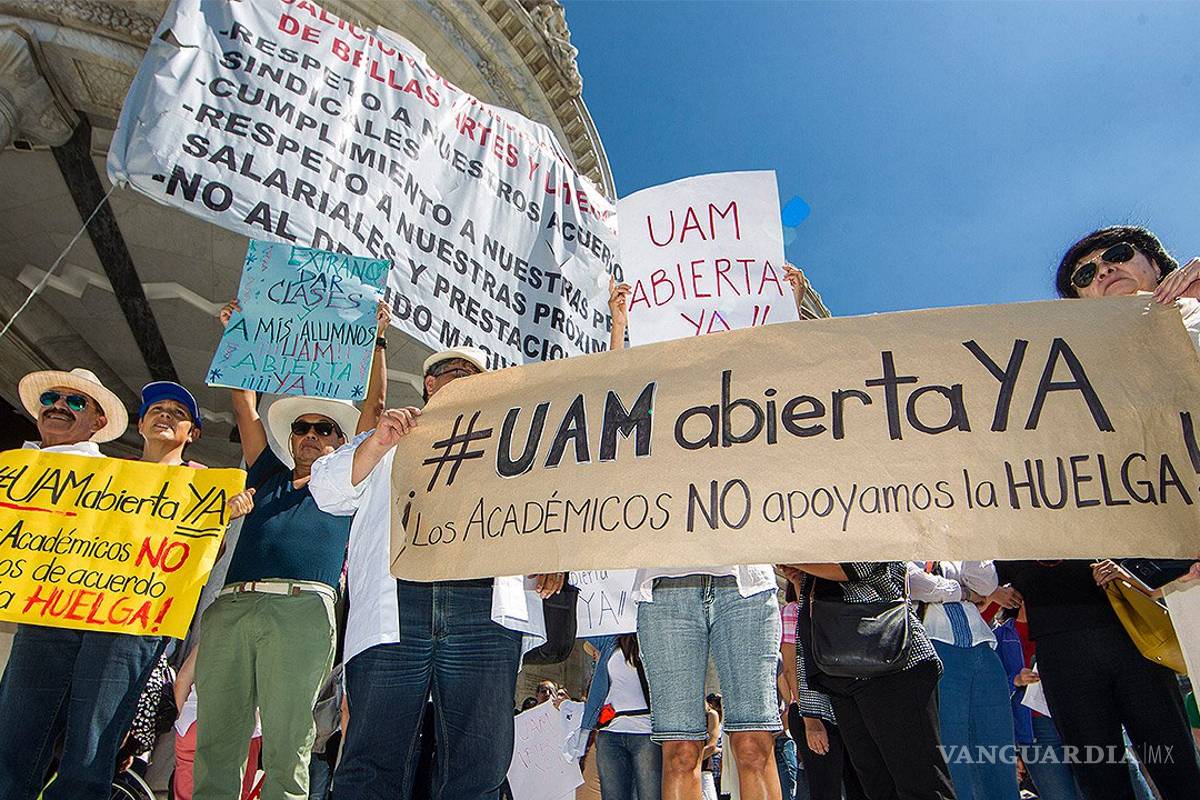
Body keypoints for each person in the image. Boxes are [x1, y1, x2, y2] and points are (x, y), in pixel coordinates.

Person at [308, 346, 566, 800]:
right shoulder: (388, 441)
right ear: (429, 384)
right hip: (399, 606)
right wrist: (375, 442)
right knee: (372, 758)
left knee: (478, 763)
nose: (463, 379)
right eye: (453, 372)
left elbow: (541, 511)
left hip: (482, 608)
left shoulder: (513, 444)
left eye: (473, 375)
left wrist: (547, 552)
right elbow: (326, 491)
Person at [609, 278, 785, 800]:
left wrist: (783, 308)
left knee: (753, 742)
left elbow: (794, 392)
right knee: (680, 749)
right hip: (667, 592)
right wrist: (621, 327)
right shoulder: (653, 421)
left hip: (744, 588)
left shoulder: (747, 413)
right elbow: (612, 405)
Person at [192, 299, 370, 800]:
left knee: (289, 739)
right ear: (290, 437)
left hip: (302, 609)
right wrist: (238, 335)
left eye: (324, 429)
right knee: (217, 737)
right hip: (233, 605)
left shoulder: (348, 483)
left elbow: (376, 413)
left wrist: (376, 343)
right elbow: (244, 407)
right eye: (301, 427)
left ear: (341, 440)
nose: (310, 435)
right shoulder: (266, 472)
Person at [0, 366, 158, 800]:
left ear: (99, 422)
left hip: (103, 624)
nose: (58, 407)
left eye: (74, 402)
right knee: (11, 745)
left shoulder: (122, 480)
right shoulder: (12, 472)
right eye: (50, 399)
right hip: (36, 617)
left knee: (86, 754)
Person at [993, 561, 1200, 800]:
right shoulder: (1008, 533)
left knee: (1175, 762)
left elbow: (1175, 563)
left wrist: (1132, 575)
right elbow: (978, 575)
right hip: (1062, 654)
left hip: (1131, 639)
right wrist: (993, 591)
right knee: (1100, 780)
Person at [784, 562, 955, 800]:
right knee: (876, 787)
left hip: (895, 665)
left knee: (921, 784)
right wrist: (803, 577)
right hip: (842, 672)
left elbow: (857, 567)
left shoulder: (870, 527)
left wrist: (800, 561)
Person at [908, 561, 1018, 800]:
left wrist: (968, 534)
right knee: (953, 757)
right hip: (936, 649)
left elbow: (986, 584)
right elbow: (914, 584)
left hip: (983, 651)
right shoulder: (906, 540)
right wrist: (964, 592)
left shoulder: (954, 546)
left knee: (998, 753)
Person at [777, 570, 866, 800]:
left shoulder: (840, 608)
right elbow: (790, 668)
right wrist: (811, 719)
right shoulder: (791, 611)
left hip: (847, 707)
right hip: (813, 711)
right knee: (825, 790)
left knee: (862, 786)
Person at [582, 634, 661, 800]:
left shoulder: (650, 639)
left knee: (649, 796)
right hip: (610, 733)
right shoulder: (609, 643)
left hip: (646, 733)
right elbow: (583, 626)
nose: (594, 655)